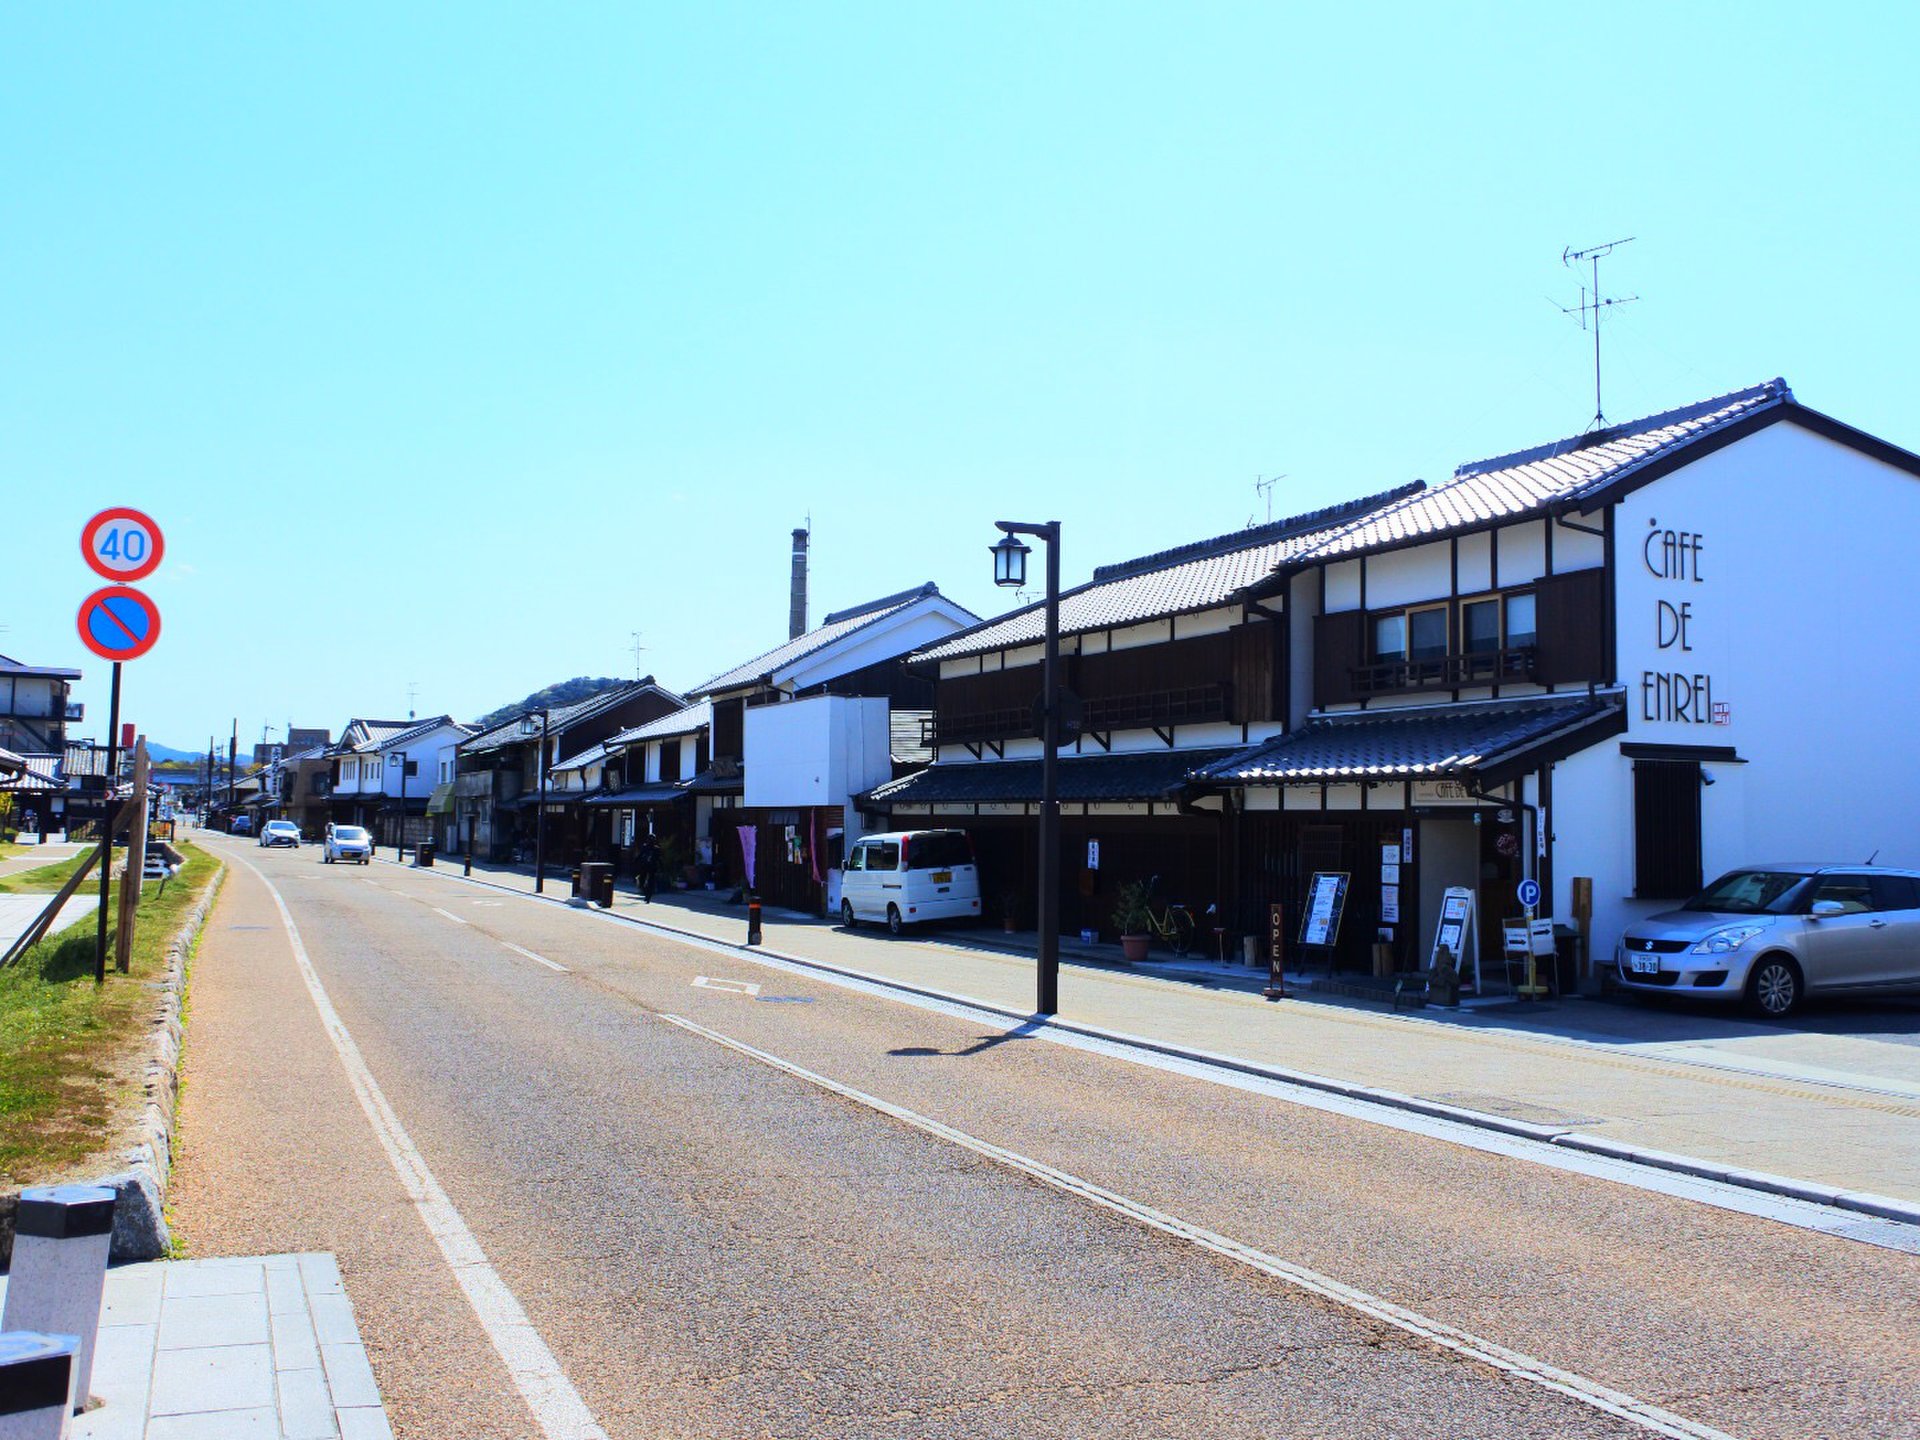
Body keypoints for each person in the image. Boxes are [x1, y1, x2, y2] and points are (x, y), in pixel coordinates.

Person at [635, 832, 661, 904]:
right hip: (648, 866)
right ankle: (647, 894)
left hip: (648, 866)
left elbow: (658, 858)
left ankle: (648, 895)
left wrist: (635, 861)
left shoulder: (655, 848)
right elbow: (659, 859)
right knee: (646, 881)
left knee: (647, 881)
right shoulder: (648, 847)